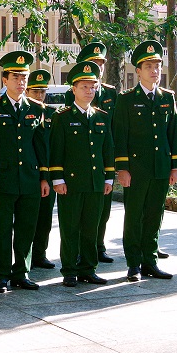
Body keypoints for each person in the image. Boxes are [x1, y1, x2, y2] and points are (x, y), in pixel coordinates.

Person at [0, 50, 50, 293]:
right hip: (3, 179)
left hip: (30, 179)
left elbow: (41, 146)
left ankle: (22, 272)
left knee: (26, 228)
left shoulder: (37, 108)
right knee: (2, 229)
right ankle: (1, 275)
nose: (21, 83)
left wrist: (44, 178)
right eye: (16, 78)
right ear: (4, 81)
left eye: (24, 78)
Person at [113, 41, 177, 281]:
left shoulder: (167, 98)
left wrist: (174, 166)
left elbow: (172, 134)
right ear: (138, 71)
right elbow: (120, 136)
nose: (154, 70)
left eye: (157, 66)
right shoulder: (126, 99)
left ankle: (150, 261)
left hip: (160, 168)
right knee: (134, 216)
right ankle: (133, 264)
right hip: (136, 170)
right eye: (149, 66)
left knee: (154, 216)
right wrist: (122, 168)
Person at [50, 62, 114, 287]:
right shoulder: (62, 117)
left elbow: (108, 150)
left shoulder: (102, 117)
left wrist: (108, 178)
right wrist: (58, 179)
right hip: (71, 183)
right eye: (84, 87)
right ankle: (69, 269)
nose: (89, 91)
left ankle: (88, 268)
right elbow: (56, 150)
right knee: (70, 228)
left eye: (93, 87)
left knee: (91, 228)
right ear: (74, 90)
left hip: (95, 183)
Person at [65, 42, 117, 264]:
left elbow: (115, 129)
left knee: (101, 211)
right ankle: (77, 251)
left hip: (103, 156)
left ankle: (99, 245)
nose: (99, 66)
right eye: (94, 63)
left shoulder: (111, 93)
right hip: (80, 164)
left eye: (101, 63)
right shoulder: (73, 94)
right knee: (78, 215)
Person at [26, 69, 57, 269]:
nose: (39, 95)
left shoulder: (53, 114)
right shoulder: (24, 112)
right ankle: (25, 255)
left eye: (42, 92)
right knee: (27, 218)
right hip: (29, 172)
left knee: (45, 217)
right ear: (27, 91)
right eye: (35, 91)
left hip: (50, 173)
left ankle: (40, 253)